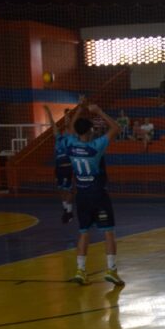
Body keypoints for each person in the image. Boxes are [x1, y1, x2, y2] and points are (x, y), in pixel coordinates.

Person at [67, 105, 124, 287]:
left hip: (81, 196)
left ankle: (80, 270)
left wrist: (78, 110)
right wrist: (99, 112)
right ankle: (111, 270)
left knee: (83, 233)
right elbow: (116, 128)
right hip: (98, 195)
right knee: (108, 232)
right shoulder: (95, 147)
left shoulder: (71, 145)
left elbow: (70, 129)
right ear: (91, 130)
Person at [43, 103, 75, 223]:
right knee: (61, 190)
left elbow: (68, 125)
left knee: (68, 190)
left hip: (67, 167)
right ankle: (66, 210)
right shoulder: (58, 138)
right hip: (58, 168)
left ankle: (69, 212)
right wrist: (48, 112)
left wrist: (66, 114)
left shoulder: (69, 137)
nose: (63, 129)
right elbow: (53, 124)